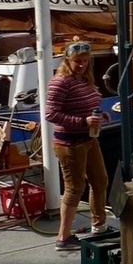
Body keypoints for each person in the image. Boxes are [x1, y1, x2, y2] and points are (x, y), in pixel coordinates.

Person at [48, 39, 109, 250]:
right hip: (69, 143)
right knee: (75, 188)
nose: (82, 64)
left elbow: (88, 105)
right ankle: (63, 237)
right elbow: (50, 114)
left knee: (100, 180)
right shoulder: (61, 82)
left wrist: (99, 115)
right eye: (77, 61)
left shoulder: (83, 79)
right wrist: (83, 121)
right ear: (67, 60)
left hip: (89, 138)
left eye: (85, 60)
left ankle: (99, 225)